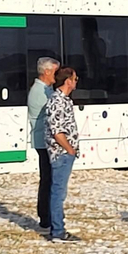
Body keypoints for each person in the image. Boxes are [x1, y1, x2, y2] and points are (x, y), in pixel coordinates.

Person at [43, 66, 81, 243]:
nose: (76, 82)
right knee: (58, 193)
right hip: (61, 154)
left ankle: (57, 226)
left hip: (64, 153)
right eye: (75, 79)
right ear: (68, 81)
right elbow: (57, 131)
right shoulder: (57, 101)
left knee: (59, 191)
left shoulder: (64, 100)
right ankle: (57, 231)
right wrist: (70, 149)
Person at [26, 56, 59, 232]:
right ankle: (46, 218)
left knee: (47, 179)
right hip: (44, 141)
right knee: (48, 180)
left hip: (41, 141)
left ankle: (46, 216)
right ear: (46, 72)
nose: (56, 75)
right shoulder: (42, 92)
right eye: (55, 72)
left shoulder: (43, 89)